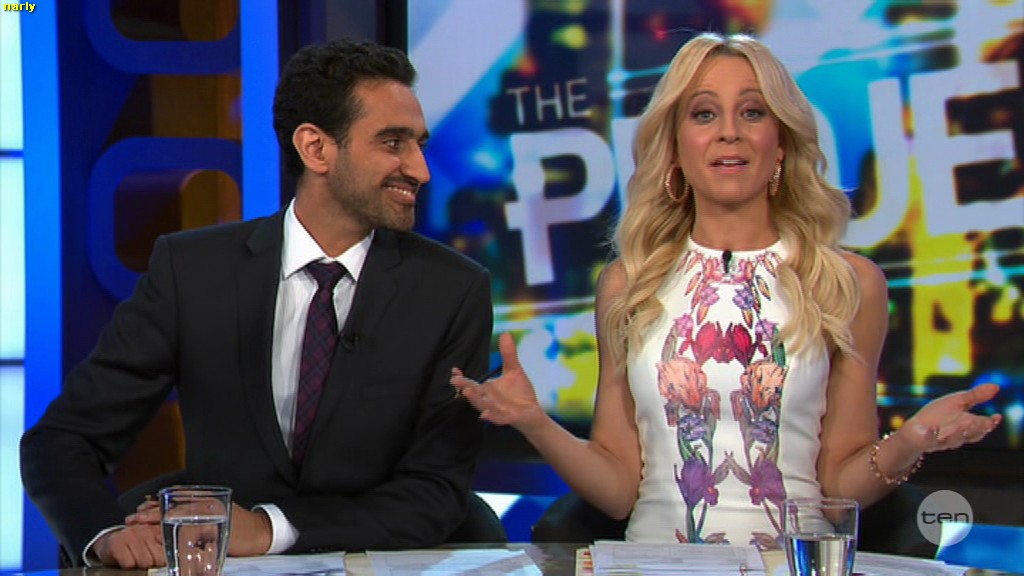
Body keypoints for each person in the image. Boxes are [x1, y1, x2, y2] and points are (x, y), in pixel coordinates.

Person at [451, 32, 1001, 547]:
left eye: (753, 112)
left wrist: (911, 441)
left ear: (780, 143)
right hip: (652, 564)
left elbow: (839, 485)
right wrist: (534, 422)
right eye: (704, 113)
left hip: (792, 563)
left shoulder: (846, 282)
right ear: (674, 146)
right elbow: (618, 488)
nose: (729, 131)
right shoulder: (628, 286)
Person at [21, 38, 493, 567]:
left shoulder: (452, 290)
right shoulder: (194, 272)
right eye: (393, 143)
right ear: (315, 148)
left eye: (419, 144)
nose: (421, 170)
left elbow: (435, 491)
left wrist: (268, 528)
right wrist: (107, 536)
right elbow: (62, 441)